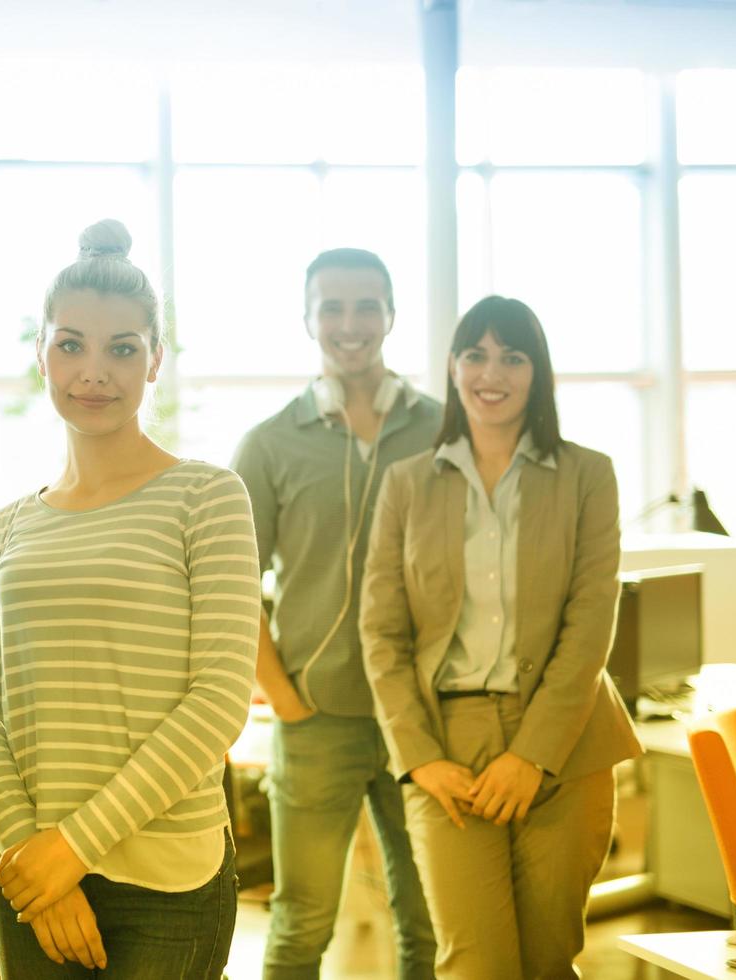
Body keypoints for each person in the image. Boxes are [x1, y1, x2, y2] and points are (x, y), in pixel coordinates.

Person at [0, 219, 259, 980]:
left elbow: (218, 699)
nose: (95, 372)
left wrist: (74, 847)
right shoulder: (5, 528)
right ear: (42, 355)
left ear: (155, 360)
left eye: (123, 348)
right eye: (72, 344)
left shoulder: (207, 496)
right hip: (33, 874)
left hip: (170, 883)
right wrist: (33, 856)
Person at [360, 295, 643, 980]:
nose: (493, 372)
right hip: (445, 746)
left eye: (513, 356)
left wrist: (532, 755)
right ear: (454, 368)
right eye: (476, 354)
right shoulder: (405, 485)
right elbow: (382, 632)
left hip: (566, 748)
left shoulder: (588, 476)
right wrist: (421, 759)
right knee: (475, 963)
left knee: (548, 961)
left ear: (536, 372)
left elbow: (589, 626)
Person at [230, 248, 439, 979]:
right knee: (301, 929)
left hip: (425, 719)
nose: (350, 325)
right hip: (317, 719)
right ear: (309, 318)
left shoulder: (442, 430)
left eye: (366, 307)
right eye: (333, 308)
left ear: (390, 314)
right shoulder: (269, 444)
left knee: (430, 920)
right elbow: (232, 586)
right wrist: (284, 699)